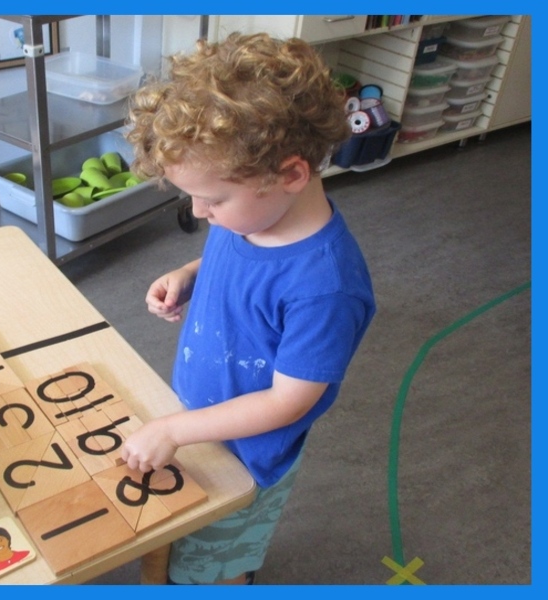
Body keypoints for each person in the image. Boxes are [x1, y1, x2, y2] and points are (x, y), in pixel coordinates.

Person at [120, 32, 377, 585]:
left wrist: (175, 431)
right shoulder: (254, 217)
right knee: (175, 526)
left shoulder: (326, 288)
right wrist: (190, 275)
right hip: (196, 416)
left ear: (290, 175)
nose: (198, 211)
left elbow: (288, 402)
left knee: (212, 566)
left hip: (245, 456)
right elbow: (233, 256)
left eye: (212, 199)